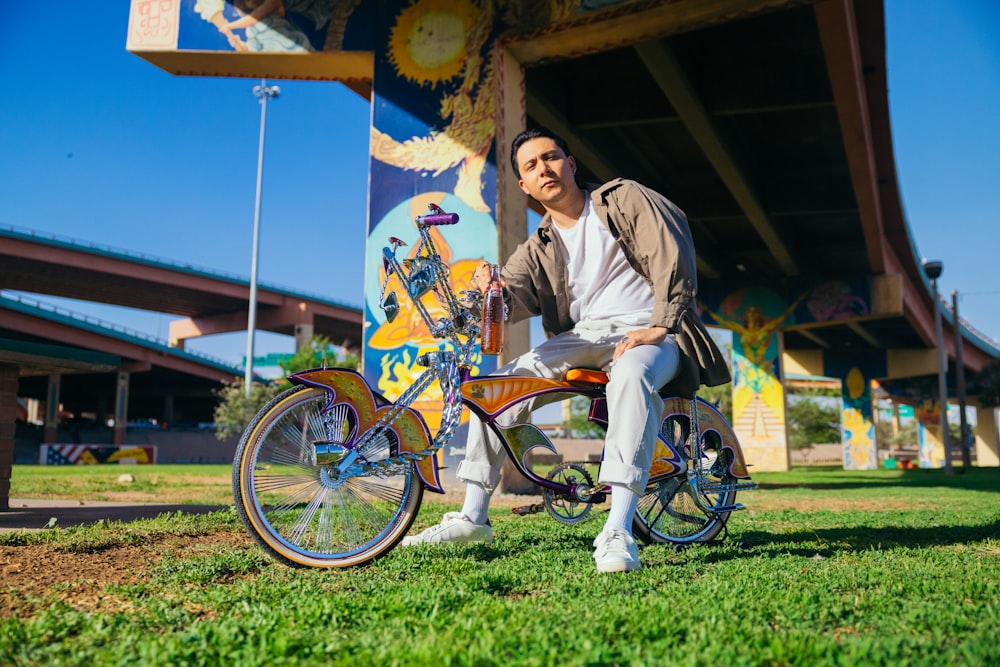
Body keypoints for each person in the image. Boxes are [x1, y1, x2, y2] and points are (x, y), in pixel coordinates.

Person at [401, 127, 730, 572]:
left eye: (551, 157)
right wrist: (487, 289)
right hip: (583, 339)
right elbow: (512, 294)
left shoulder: (623, 199)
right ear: (524, 186)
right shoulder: (539, 245)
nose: (544, 169)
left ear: (571, 164)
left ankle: (617, 527)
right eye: (531, 166)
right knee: (496, 386)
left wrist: (660, 324)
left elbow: (672, 248)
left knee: (631, 375)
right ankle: (473, 515)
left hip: (652, 334)